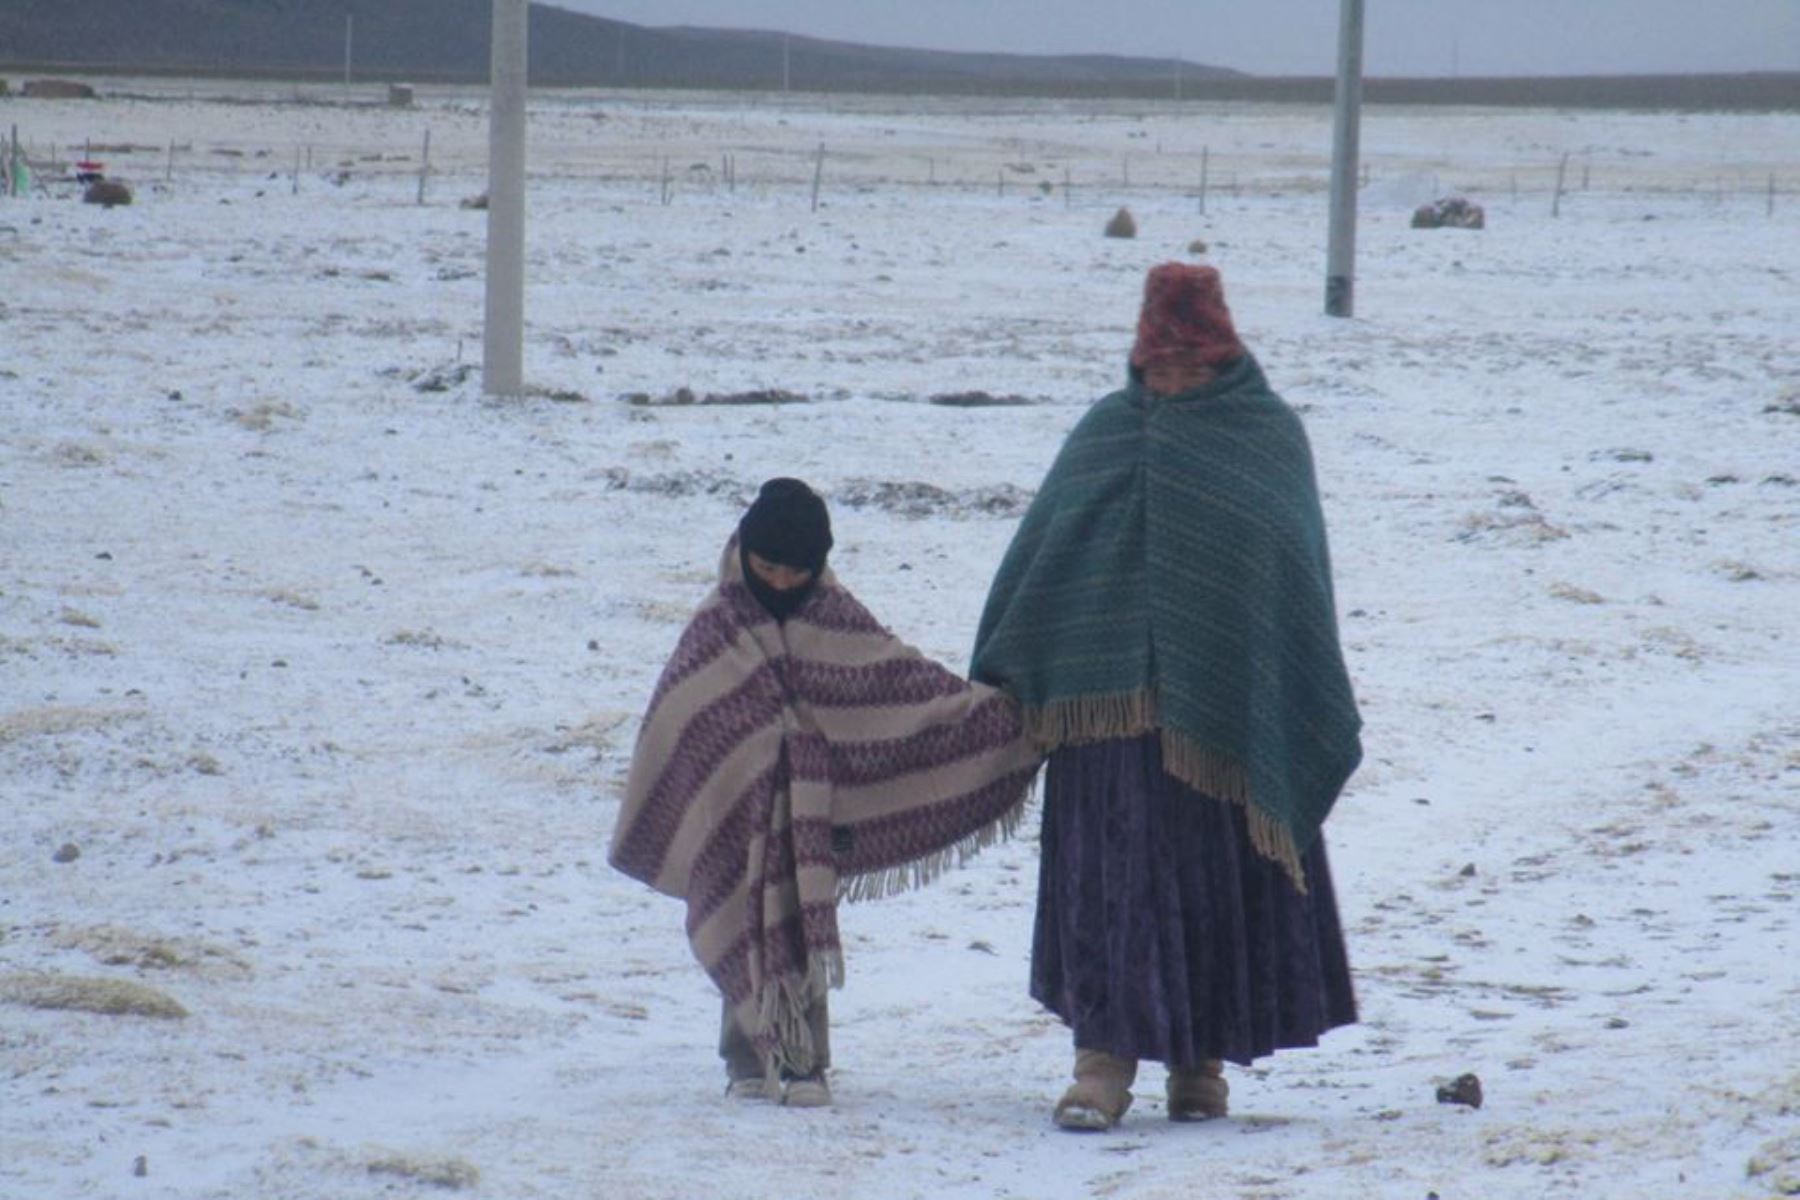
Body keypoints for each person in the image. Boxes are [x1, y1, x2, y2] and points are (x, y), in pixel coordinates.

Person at [971, 264, 1363, 1131]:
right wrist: (1014, 668)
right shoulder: (1106, 435)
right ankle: (1101, 1064)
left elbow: (1286, 578)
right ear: (1138, 362)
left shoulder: (1265, 439)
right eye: (1162, 369)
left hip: (1222, 727)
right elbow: (1047, 556)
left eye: (1192, 369)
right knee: (1113, 891)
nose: (1175, 385)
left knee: (1210, 889)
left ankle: (1202, 1066)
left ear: (1226, 361)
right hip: (1108, 724)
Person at [610, 478, 1040, 1108]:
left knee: (800, 907)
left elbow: (902, 689)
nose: (782, 582)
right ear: (746, 554)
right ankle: (748, 1056)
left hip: (810, 812)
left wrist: (1005, 721)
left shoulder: (837, 616)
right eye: (768, 567)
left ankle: (803, 1058)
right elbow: (680, 720)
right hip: (736, 810)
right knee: (740, 899)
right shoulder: (712, 630)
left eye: (798, 570)